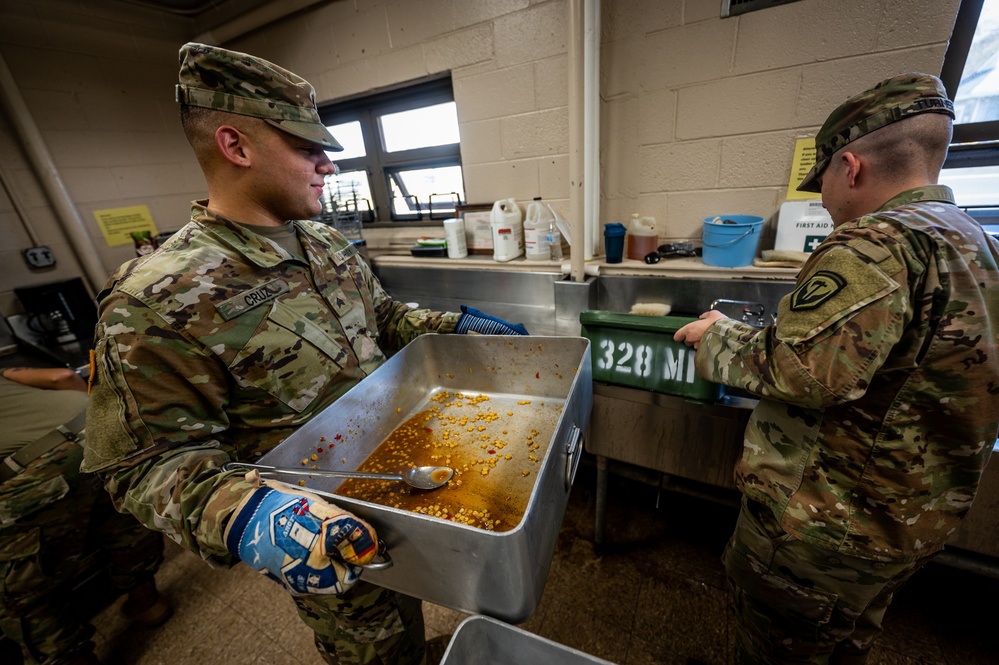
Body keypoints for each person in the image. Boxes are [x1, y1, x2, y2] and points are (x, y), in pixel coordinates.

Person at [82, 42, 528, 665]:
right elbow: (140, 466)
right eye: (307, 149)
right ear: (236, 147)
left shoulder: (325, 242)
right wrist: (248, 514)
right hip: (312, 520)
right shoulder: (156, 297)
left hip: (396, 464)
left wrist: (453, 323)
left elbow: (387, 320)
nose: (329, 167)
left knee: (410, 599)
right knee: (369, 642)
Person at [674, 73, 999, 664]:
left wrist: (716, 339)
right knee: (842, 644)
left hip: (824, 527)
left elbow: (808, 370)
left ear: (850, 167)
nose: (821, 197)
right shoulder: (978, 242)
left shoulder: (873, 244)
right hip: (909, 521)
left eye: (821, 179)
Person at [0, 366, 170, 665]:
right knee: (123, 521)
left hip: (34, 468)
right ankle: (148, 603)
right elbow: (63, 378)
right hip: (93, 426)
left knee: (26, 594)